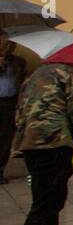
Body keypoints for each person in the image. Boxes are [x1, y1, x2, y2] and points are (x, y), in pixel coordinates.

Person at [14, 61, 73, 225]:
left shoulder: (35, 74)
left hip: (30, 142)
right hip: (55, 143)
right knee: (47, 204)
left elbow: (19, 112)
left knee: (44, 198)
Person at [0, 31, 26, 184]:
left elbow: (21, 81)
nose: (8, 48)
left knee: (6, 138)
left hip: (10, 102)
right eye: (4, 45)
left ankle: (0, 170)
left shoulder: (19, 62)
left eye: (10, 44)